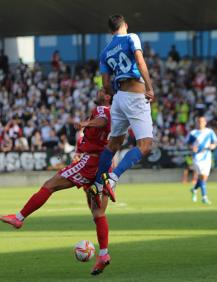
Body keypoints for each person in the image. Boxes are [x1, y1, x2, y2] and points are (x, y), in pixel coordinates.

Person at [0, 89, 112, 276]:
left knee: (49, 185)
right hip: (103, 164)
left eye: (102, 90)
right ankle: (104, 254)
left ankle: (19, 218)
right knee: (98, 212)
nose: (99, 91)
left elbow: (103, 121)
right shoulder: (117, 112)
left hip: (91, 161)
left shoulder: (103, 110)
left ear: (107, 96)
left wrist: (86, 123)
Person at [90, 14, 154, 201]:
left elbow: (106, 84)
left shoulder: (105, 52)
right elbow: (140, 61)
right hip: (135, 95)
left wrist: (115, 97)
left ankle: (97, 183)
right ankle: (112, 178)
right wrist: (149, 87)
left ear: (111, 30)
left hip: (119, 99)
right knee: (145, 145)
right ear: (125, 25)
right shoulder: (131, 37)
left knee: (114, 143)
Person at [187, 116, 217, 204]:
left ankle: (194, 189)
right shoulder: (193, 133)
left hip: (207, 157)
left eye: (202, 121)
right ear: (197, 123)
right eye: (199, 122)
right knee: (202, 176)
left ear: (205, 122)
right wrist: (192, 147)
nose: (200, 123)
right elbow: (188, 143)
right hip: (197, 157)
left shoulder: (209, 132)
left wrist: (213, 146)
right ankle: (204, 197)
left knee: (204, 178)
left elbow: (215, 142)